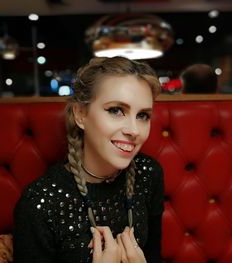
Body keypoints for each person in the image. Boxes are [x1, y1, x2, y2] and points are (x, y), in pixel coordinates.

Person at [13, 56, 164, 263]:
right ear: (81, 114)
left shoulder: (148, 173)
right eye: (116, 110)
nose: (134, 130)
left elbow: (154, 254)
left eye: (143, 115)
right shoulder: (40, 202)